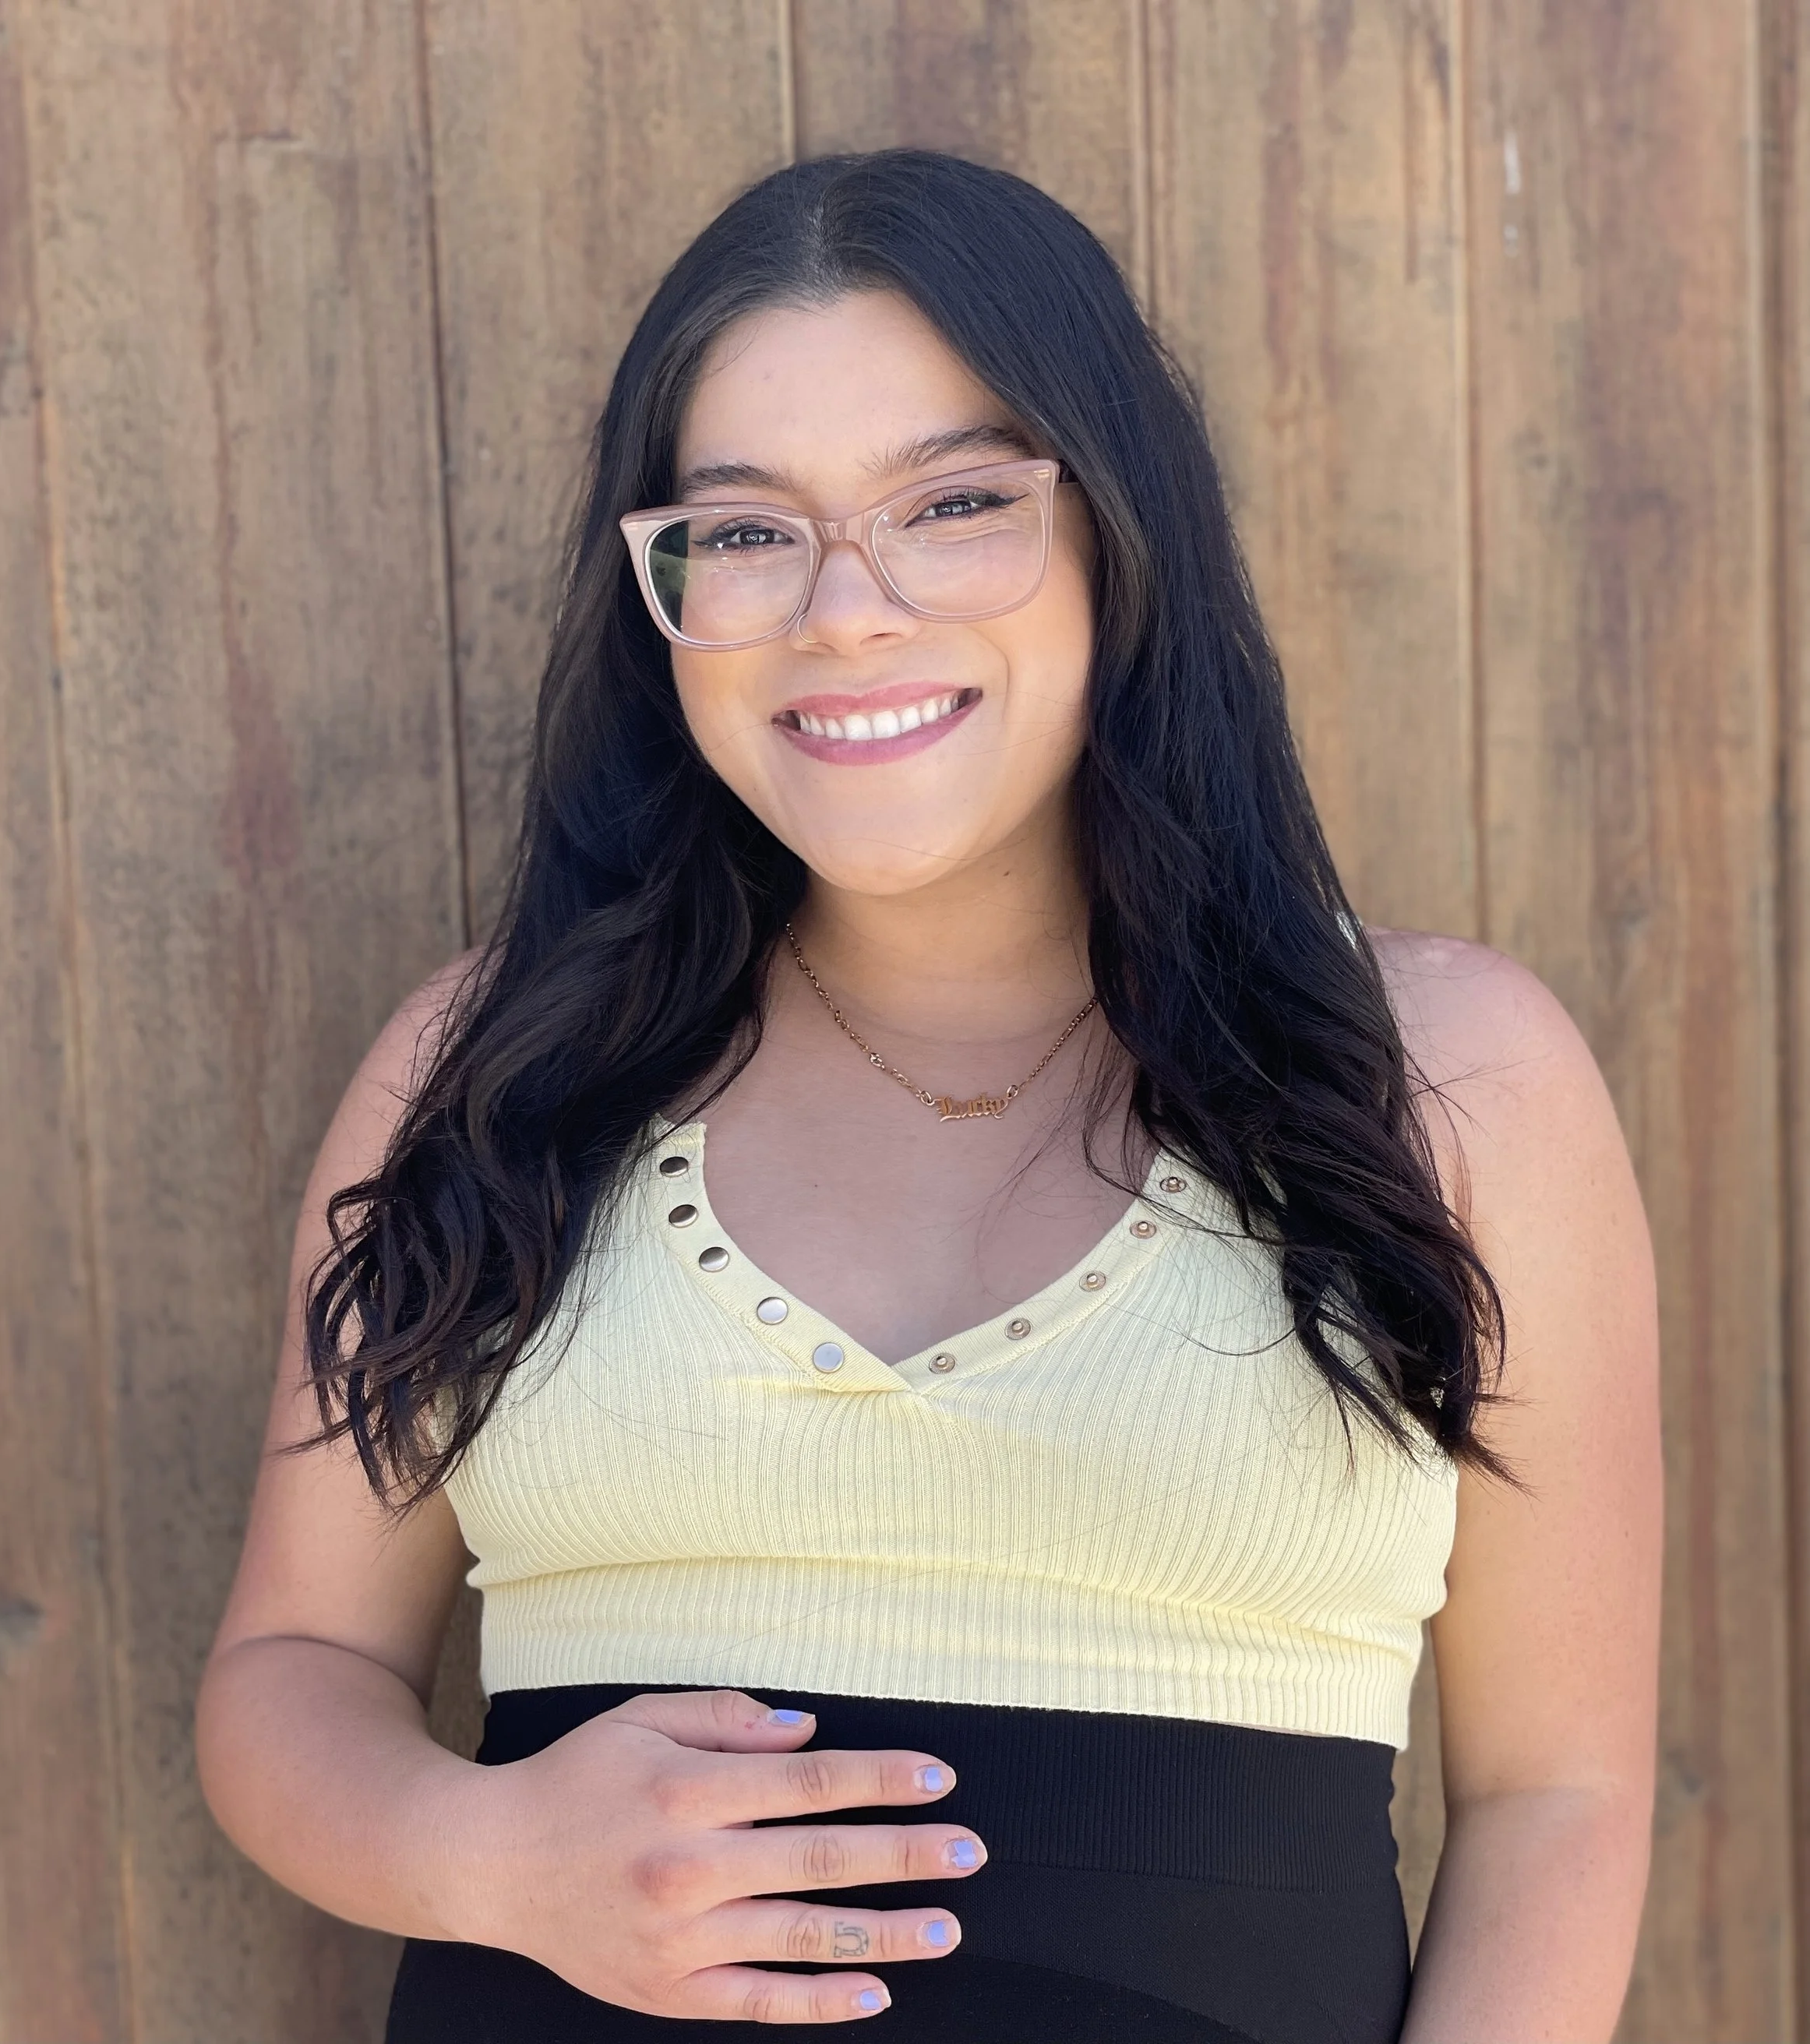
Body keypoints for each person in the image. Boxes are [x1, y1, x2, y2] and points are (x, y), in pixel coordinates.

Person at [196, 150, 1660, 2042]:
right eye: (744, 531)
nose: (845, 611)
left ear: (1114, 531)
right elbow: (291, 1667)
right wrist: (483, 1855)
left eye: (953, 503)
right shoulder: (488, 1071)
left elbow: (1558, 1796)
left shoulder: (1447, 1077)